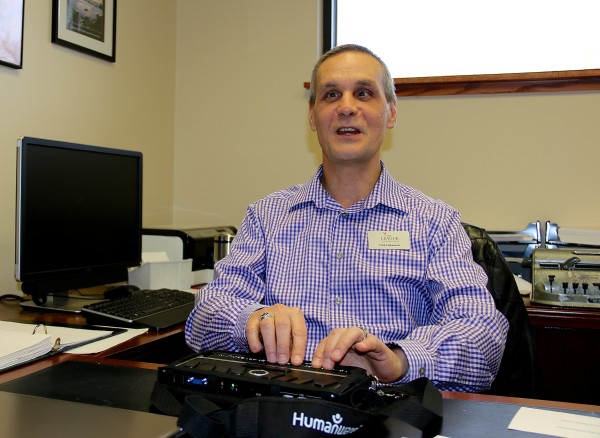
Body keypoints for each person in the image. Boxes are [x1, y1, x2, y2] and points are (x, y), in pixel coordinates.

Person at [185, 44, 509, 392]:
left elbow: (481, 333)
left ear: (391, 113)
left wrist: (400, 360)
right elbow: (203, 318)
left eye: (364, 93)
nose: (346, 107)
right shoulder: (266, 216)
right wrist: (251, 318)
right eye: (331, 95)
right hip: (281, 407)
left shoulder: (436, 222)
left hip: (385, 408)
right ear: (312, 116)